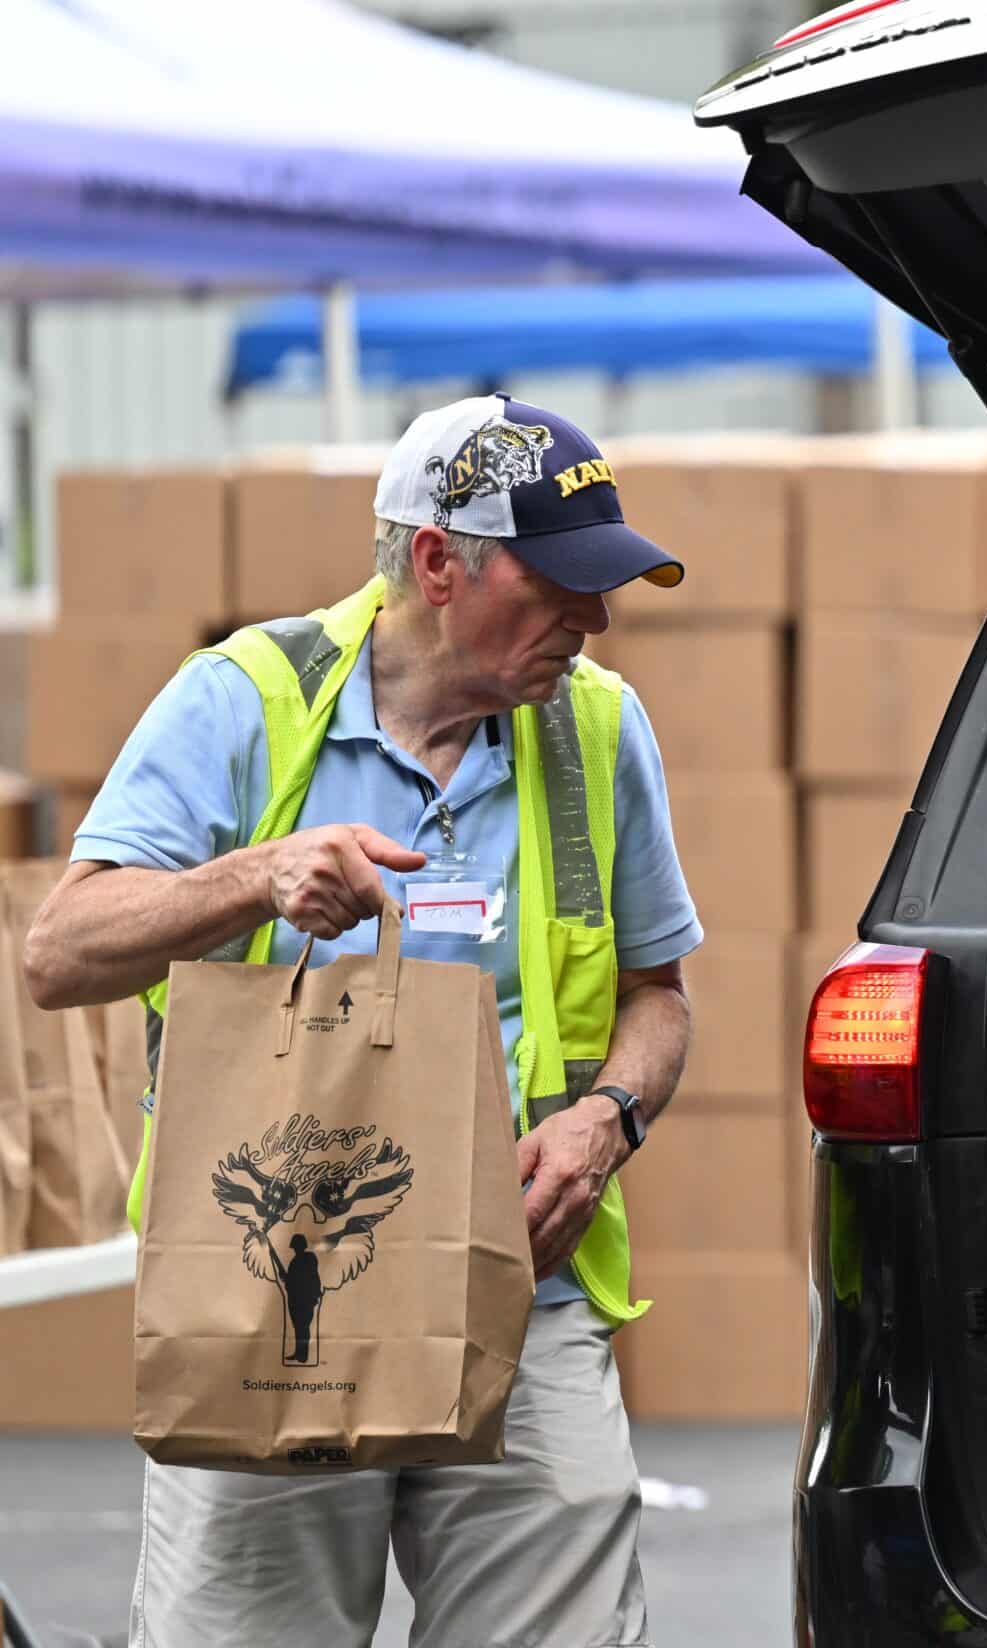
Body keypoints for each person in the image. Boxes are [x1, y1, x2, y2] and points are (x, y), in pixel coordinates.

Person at [23, 395, 702, 1647]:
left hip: (520, 1300)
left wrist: (606, 1119)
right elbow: (60, 954)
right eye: (560, 582)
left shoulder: (599, 730)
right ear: (438, 563)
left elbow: (660, 999)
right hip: (274, 1306)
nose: (593, 619)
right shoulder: (239, 701)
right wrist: (255, 874)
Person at [282, 1234, 321, 1366]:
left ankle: (303, 1356)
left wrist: (314, 1295)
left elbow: (311, 1277)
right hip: (295, 1299)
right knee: (298, 1327)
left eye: (296, 1246)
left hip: (304, 1299)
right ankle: (299, 1353)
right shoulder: (295, 1260)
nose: (295, 1249)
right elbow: (293, 1281)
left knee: (303, 1327)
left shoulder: (309, 1258)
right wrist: (286, 1278)